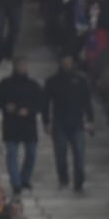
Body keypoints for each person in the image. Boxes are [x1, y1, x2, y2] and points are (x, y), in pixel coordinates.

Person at [0, 59, 45, 196]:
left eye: (24, 65)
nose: (22, 68)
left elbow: (41, 103)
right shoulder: (6, 83)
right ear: (14, 67)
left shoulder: (33, 85)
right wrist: (5, 106)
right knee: (12, 154)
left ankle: (24, 178)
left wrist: (29, 110)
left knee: (31, 153)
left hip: (29, 125)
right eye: (19, 65)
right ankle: (16, 182)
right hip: (11, 125)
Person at [43, 54, 94, 193]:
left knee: (79, 155)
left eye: (69, 62)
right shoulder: (52, 81)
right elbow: (45, 103)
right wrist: (46, 121)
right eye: (64, 62)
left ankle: (79, 183)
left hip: (77, 122)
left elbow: (87, 101)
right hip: (59, 122)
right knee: (60, 154)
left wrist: (90, 119)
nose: (66, 65)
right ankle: (63, 179)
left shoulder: (81, 80)